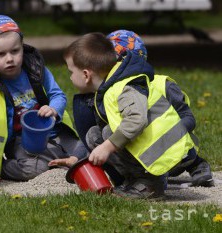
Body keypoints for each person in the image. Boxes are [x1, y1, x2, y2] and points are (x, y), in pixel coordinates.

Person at [53, 32, 198, 199]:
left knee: (108, 134)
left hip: (166, 149)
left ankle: (150, 184)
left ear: (86, 75)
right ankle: (134, 180)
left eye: (71, 71)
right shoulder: (112, 86)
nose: (70, 77)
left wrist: (107, 147)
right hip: (152, 147)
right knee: (95, 135)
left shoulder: (125, 87)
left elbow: (136, 120)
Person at [0, 15, 86, 182]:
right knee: (34, 169)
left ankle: (60, 159)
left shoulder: (36, 70)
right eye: (0, 54)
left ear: (22, 47)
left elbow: (58, 95)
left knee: (87, 149)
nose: (10, 59)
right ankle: (8, 168)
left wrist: (53, 109)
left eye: (15, 51)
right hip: (19, 141)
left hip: (54, 132)